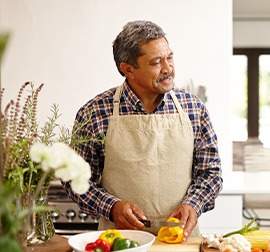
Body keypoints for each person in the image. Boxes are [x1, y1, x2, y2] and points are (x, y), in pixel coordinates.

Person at [63, 20, 223, 240]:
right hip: (119, 244)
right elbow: (74, 179)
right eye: (156, 62)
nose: (168, 69)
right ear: (128, 69)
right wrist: (111, 207)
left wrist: (193, 205)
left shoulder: (194, 109)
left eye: (170, 57)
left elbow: (210, 173)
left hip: (181, 244)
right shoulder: (94, 113)